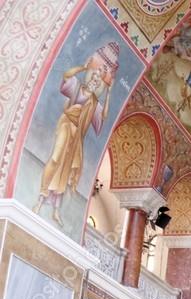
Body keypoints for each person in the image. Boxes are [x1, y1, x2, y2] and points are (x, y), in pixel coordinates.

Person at [35, 43, 119, 225]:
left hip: (77, 137)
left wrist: (110, 93)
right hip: (66, 125)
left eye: (98, 80)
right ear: (90, 76)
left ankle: (55, 209)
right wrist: (84, 66)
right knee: (56, 159)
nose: (95, 80)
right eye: (94, 76)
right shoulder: (77, 87)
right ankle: (40, 197)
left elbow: (103, 116)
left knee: (65, 169)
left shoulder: (95, 102)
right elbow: (66, 76)